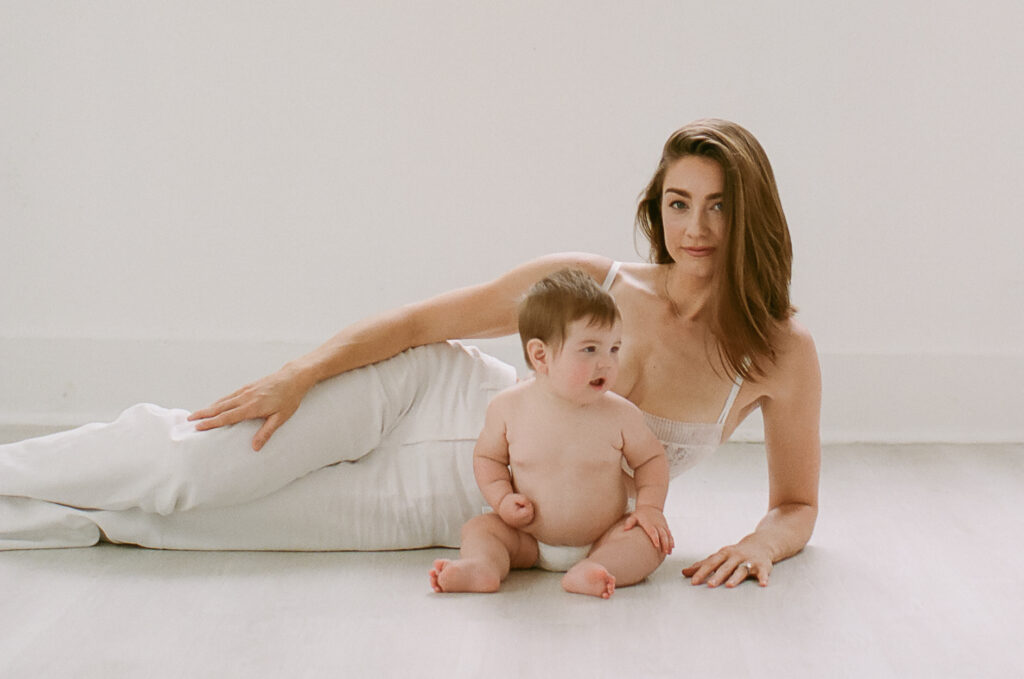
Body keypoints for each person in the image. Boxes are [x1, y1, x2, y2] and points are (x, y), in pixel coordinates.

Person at [0, 118, 819, 590]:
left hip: (442, 506)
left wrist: (761, 543)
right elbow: (421, 323)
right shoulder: (591, 283)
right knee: (189, 473)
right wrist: (302, 373)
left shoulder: (779, 354)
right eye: (679, 203)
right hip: (423, 397)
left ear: (753, 216)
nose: (697, 228)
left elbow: (796, 503)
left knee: (192, 527)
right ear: (657, 207)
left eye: (718, 206)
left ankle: (21, 516)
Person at [429, 269, 673, 598]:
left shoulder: (620, 415)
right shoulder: (508, 408)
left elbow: (651, 459)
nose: (606, 362)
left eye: (614, 349)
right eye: (590, 349)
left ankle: (598, 569)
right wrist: (501, 500)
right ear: (540, 355)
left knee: (648, 542)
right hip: (527, 537)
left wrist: (649, 508)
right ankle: (483, 566)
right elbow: (488, 458)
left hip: (602, 536)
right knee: (480, 528)